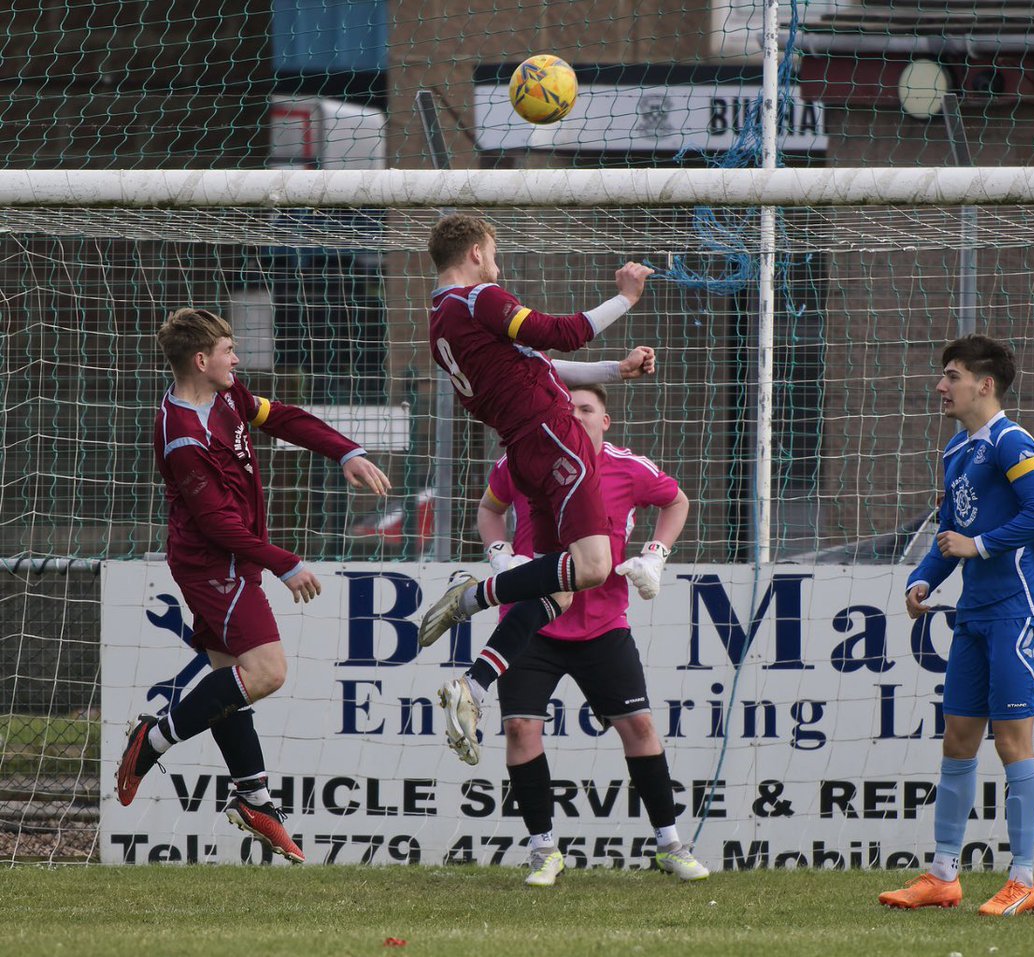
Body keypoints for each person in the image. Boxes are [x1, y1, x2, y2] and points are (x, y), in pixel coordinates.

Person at [117, 307, 391, 863]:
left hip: (232, 557)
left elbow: (281, 416)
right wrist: (283, 563)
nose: (237, 359)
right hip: (211, 565)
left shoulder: (227, 396)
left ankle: (254, 796)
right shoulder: (183, 435)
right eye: (228, 351)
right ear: (202, 360)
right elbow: (217, 524)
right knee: (266, 672)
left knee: (227, 678)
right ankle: (155, 739)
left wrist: (347, 450)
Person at [421, 212, 654, 765]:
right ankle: (474, 595)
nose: (496, 264)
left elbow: (539, 365)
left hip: (526, 449)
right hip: (555, 440)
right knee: (594, 566)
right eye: (493, 252)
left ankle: (472, 688)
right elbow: (557, 332)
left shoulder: (440, 323)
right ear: (476, 251)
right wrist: (625, 298)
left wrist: (613, 372)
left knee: (558, 589)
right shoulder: (478, 300)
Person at [479, 384, 708, 885]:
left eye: (588, 409)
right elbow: (489, 509)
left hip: (603, 627)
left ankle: (669, 843)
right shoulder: (525, 460)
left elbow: (677, 501)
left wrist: (655, 555)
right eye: (569, 408)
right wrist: (499, 556)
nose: (577, 415)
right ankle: (544, 850)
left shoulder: (628, 467)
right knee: (520, 729)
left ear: (606, 422)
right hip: (530, 622)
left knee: (640, 727)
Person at [879, 334, 1034, 916]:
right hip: (975, 615)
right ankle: (943, 876)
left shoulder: (1011, 440)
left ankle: (1024, 879)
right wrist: (925, 578)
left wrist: (979, 545)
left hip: (1018, 609)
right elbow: (950, 532)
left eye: (952, 375)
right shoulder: (957, 450)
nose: (941, 385)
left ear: (984, 384)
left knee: (1012, 741)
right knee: (958, 740)